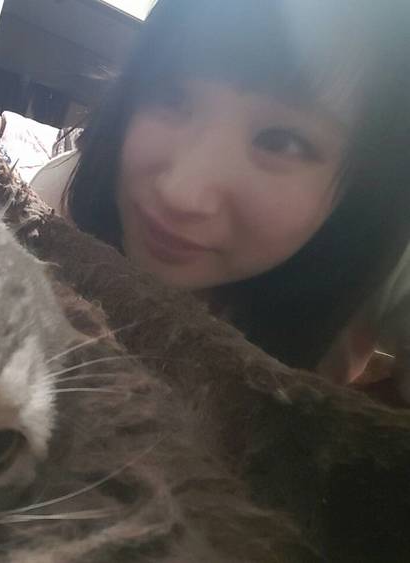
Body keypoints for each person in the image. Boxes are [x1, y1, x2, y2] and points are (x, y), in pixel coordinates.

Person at [30, 0, 410, 381]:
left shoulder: (388, 267)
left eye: (280, 141)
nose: (180, 193)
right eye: (172, 96)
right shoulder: (55, 203)